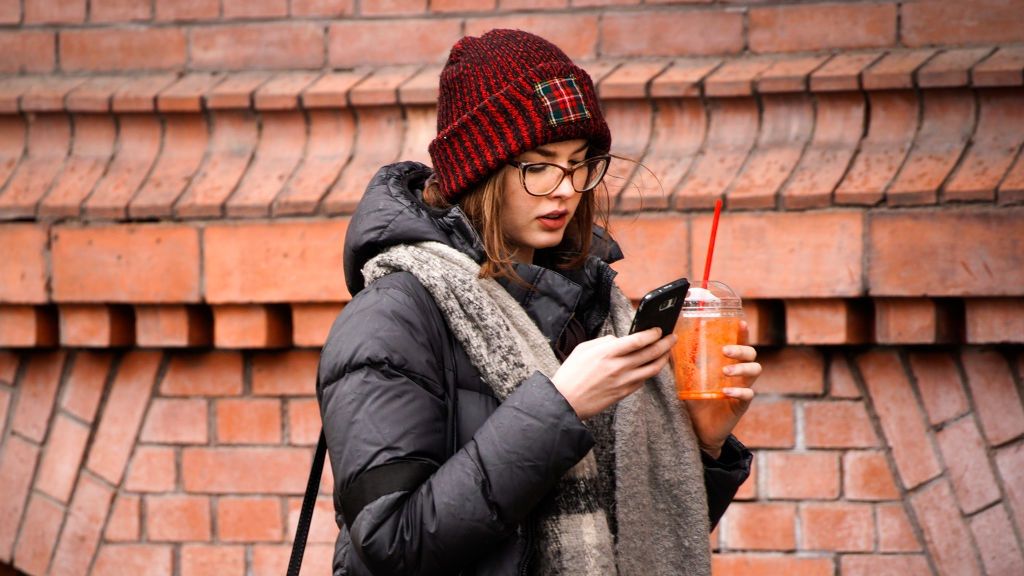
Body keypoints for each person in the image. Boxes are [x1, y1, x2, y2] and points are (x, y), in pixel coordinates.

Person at [317, 29, 760, 576]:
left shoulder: (590, 307)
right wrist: (559, 407)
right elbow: (391, 542)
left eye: (579, 162)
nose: (566, 188)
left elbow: (633, 541)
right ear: (480, 169)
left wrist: (705, 447)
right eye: (538, 165)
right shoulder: (392, 317)